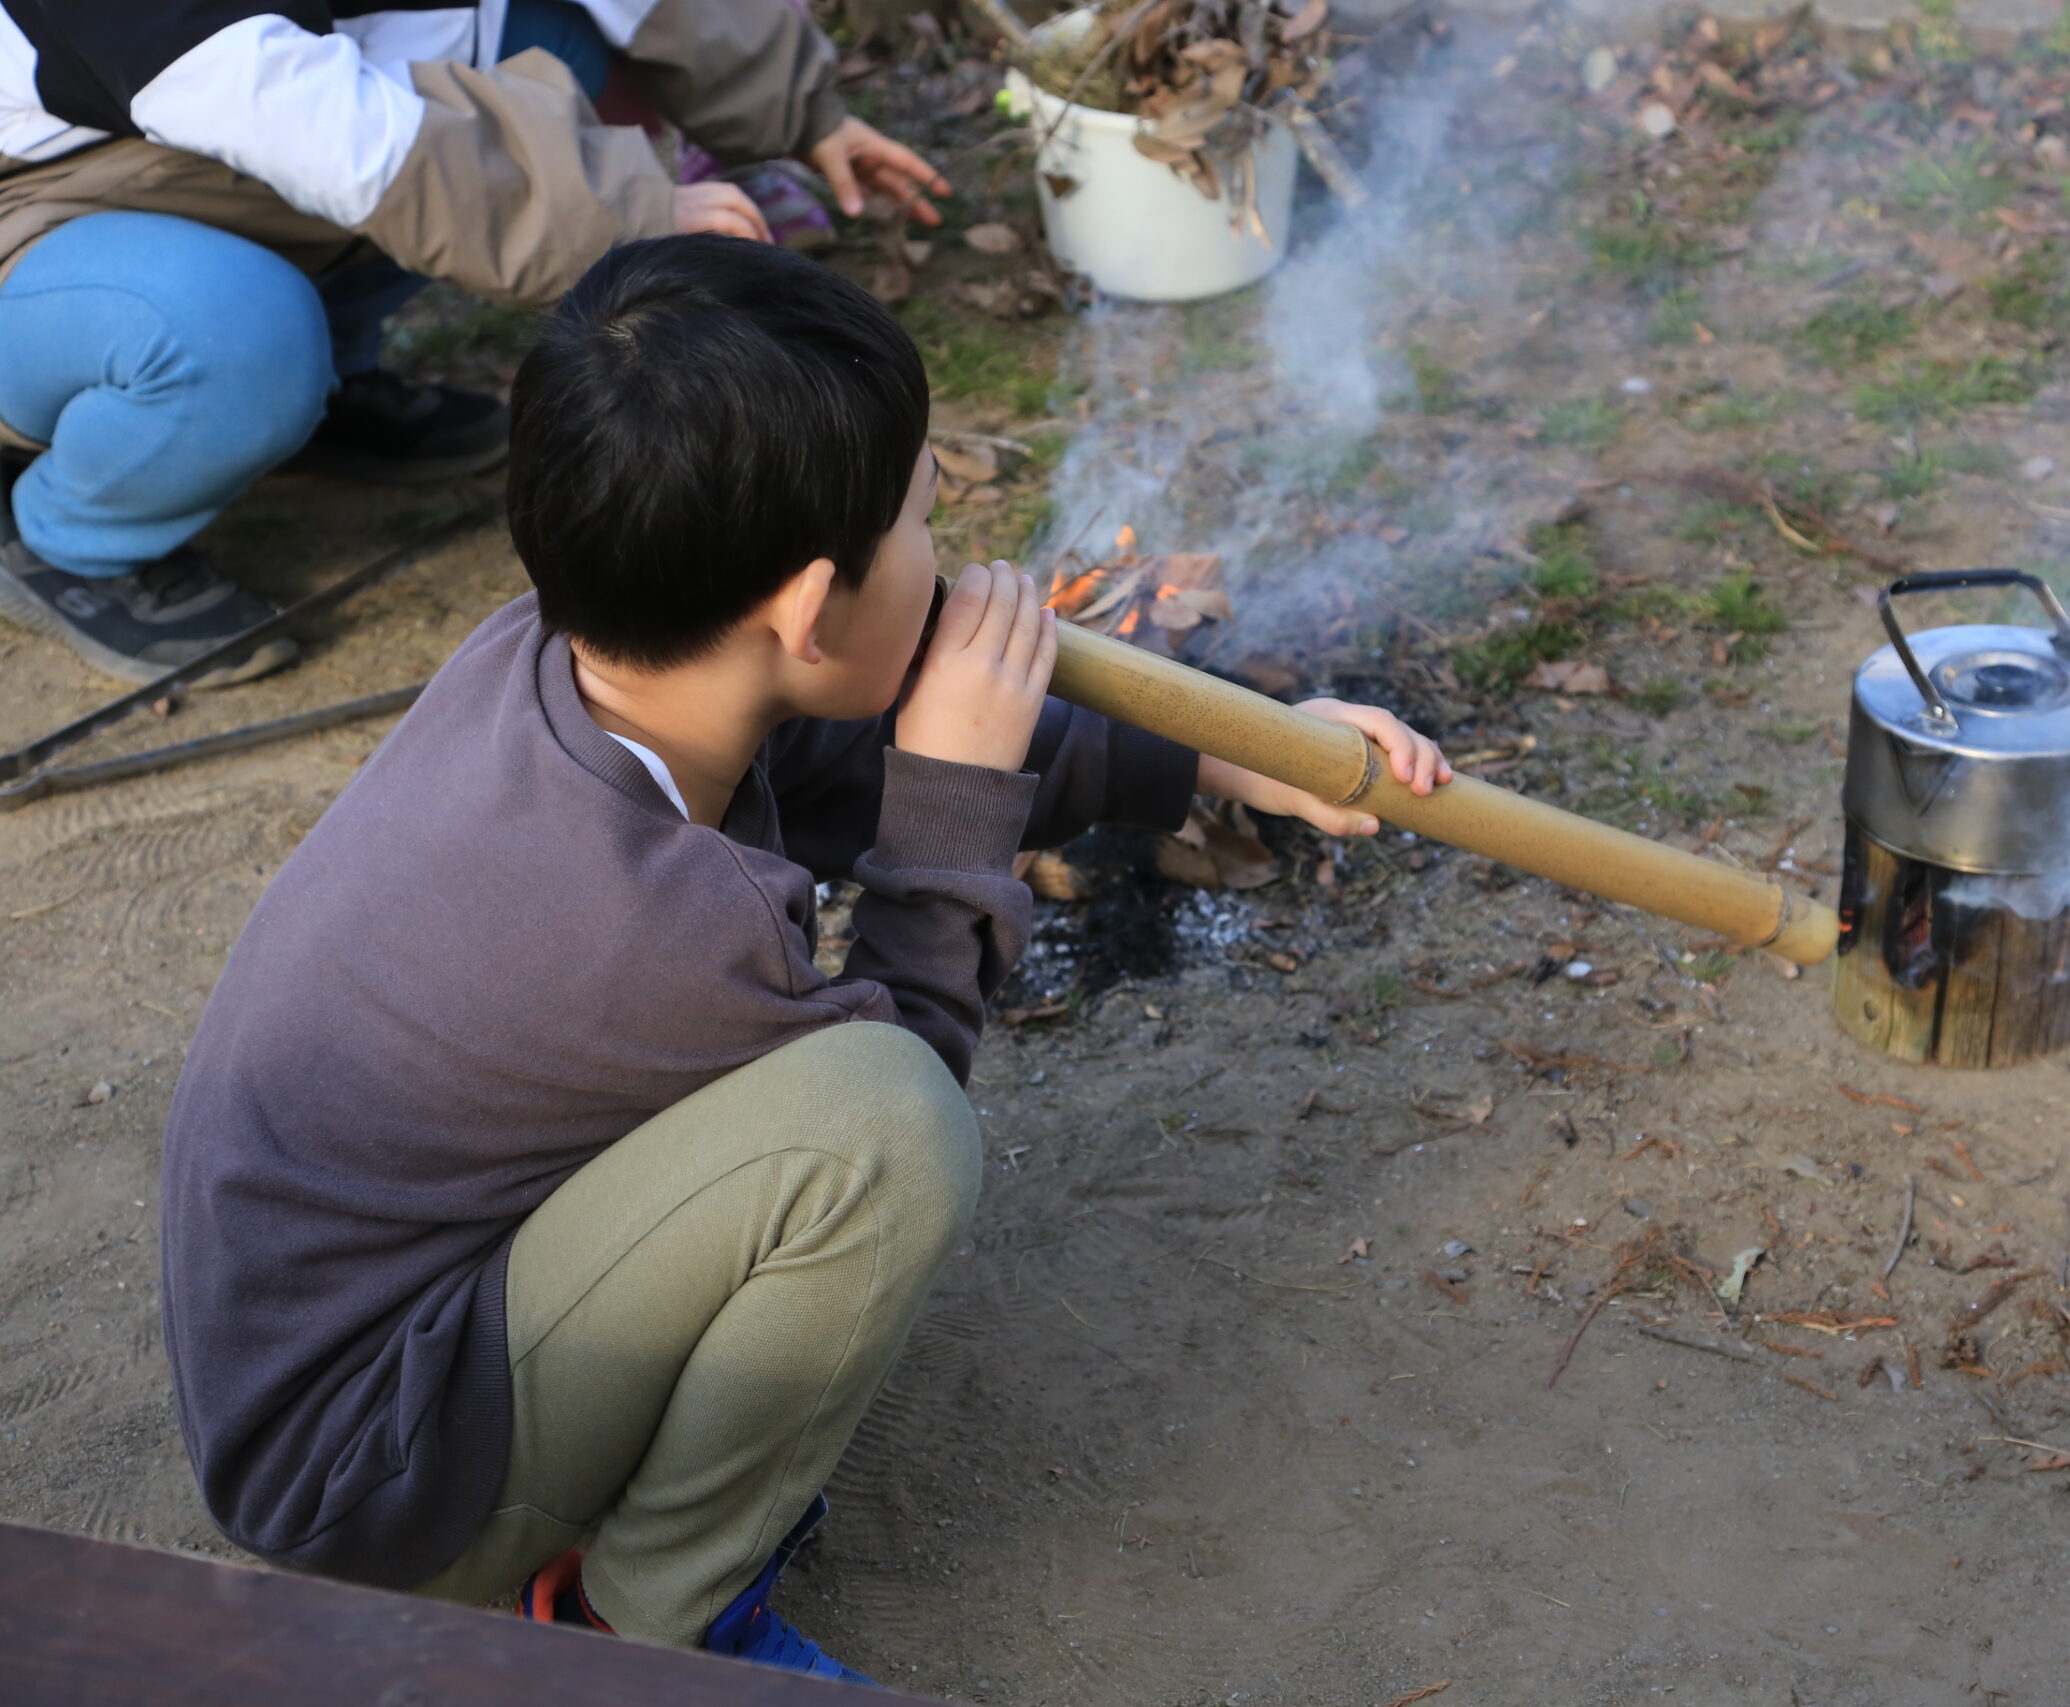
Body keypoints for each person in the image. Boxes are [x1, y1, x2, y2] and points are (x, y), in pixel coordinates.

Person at [156, 234, 1455, 1681]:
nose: (948, 554)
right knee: (878, 1135)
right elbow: (907, 1071)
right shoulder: (648, 930)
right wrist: (959, 794)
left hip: (375, 1332)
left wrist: (1233, 753)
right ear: (802, 607)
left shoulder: (569, 662)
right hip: (368, 1480)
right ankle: (638, 1622)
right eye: (918, 521)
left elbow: (828, 753)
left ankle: (608, 1501)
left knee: (848, 1114)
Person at [0, 0, 947, 686]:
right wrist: (621, 210)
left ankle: (323, 382)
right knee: (234, 336)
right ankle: (76, 533)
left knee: (539, 48)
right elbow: (330, 135)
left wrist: (799, 105)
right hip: (37, 201)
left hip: (183, 151)